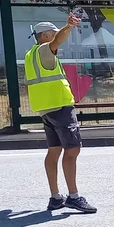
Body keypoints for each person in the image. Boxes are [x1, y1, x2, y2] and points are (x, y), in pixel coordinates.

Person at [26, 15, 97, 213]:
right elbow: (58, 40)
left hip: (46, 110)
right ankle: (73, 197)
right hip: (60, 108)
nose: (57, 36)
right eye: (54, 33)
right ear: (46, 35)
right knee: (73, 149)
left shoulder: (30, 55)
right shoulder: (45, 50)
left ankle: (56, 197)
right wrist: (69, 26)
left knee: (54, 150)